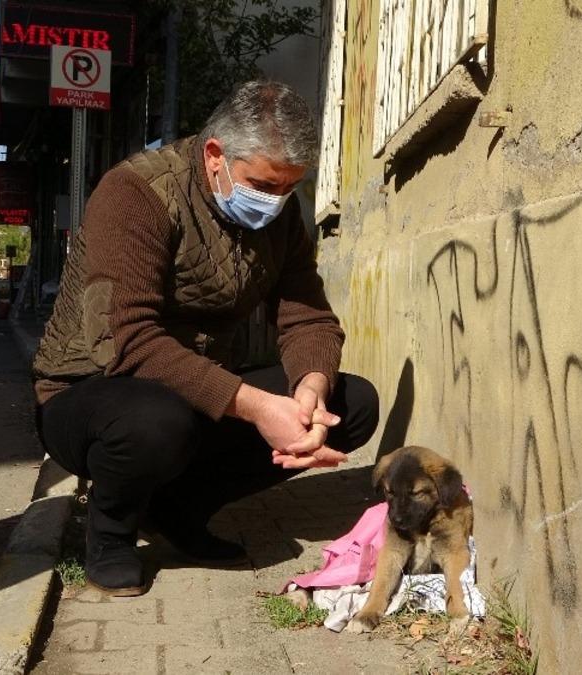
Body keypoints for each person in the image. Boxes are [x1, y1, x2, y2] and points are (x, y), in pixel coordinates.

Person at [32, 81, 379, 596]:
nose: (276, 201)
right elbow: (125, 340)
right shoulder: (137, 193)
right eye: (263, 184)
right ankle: (109, 535)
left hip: (195, 387)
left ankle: (176, 512)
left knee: (353, 404)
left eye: (289, 188)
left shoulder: (281, 219)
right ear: (215, 154)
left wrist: (309, 392)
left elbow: (308, 319)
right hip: (90, 390)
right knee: (153, 421)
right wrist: (259, 407)